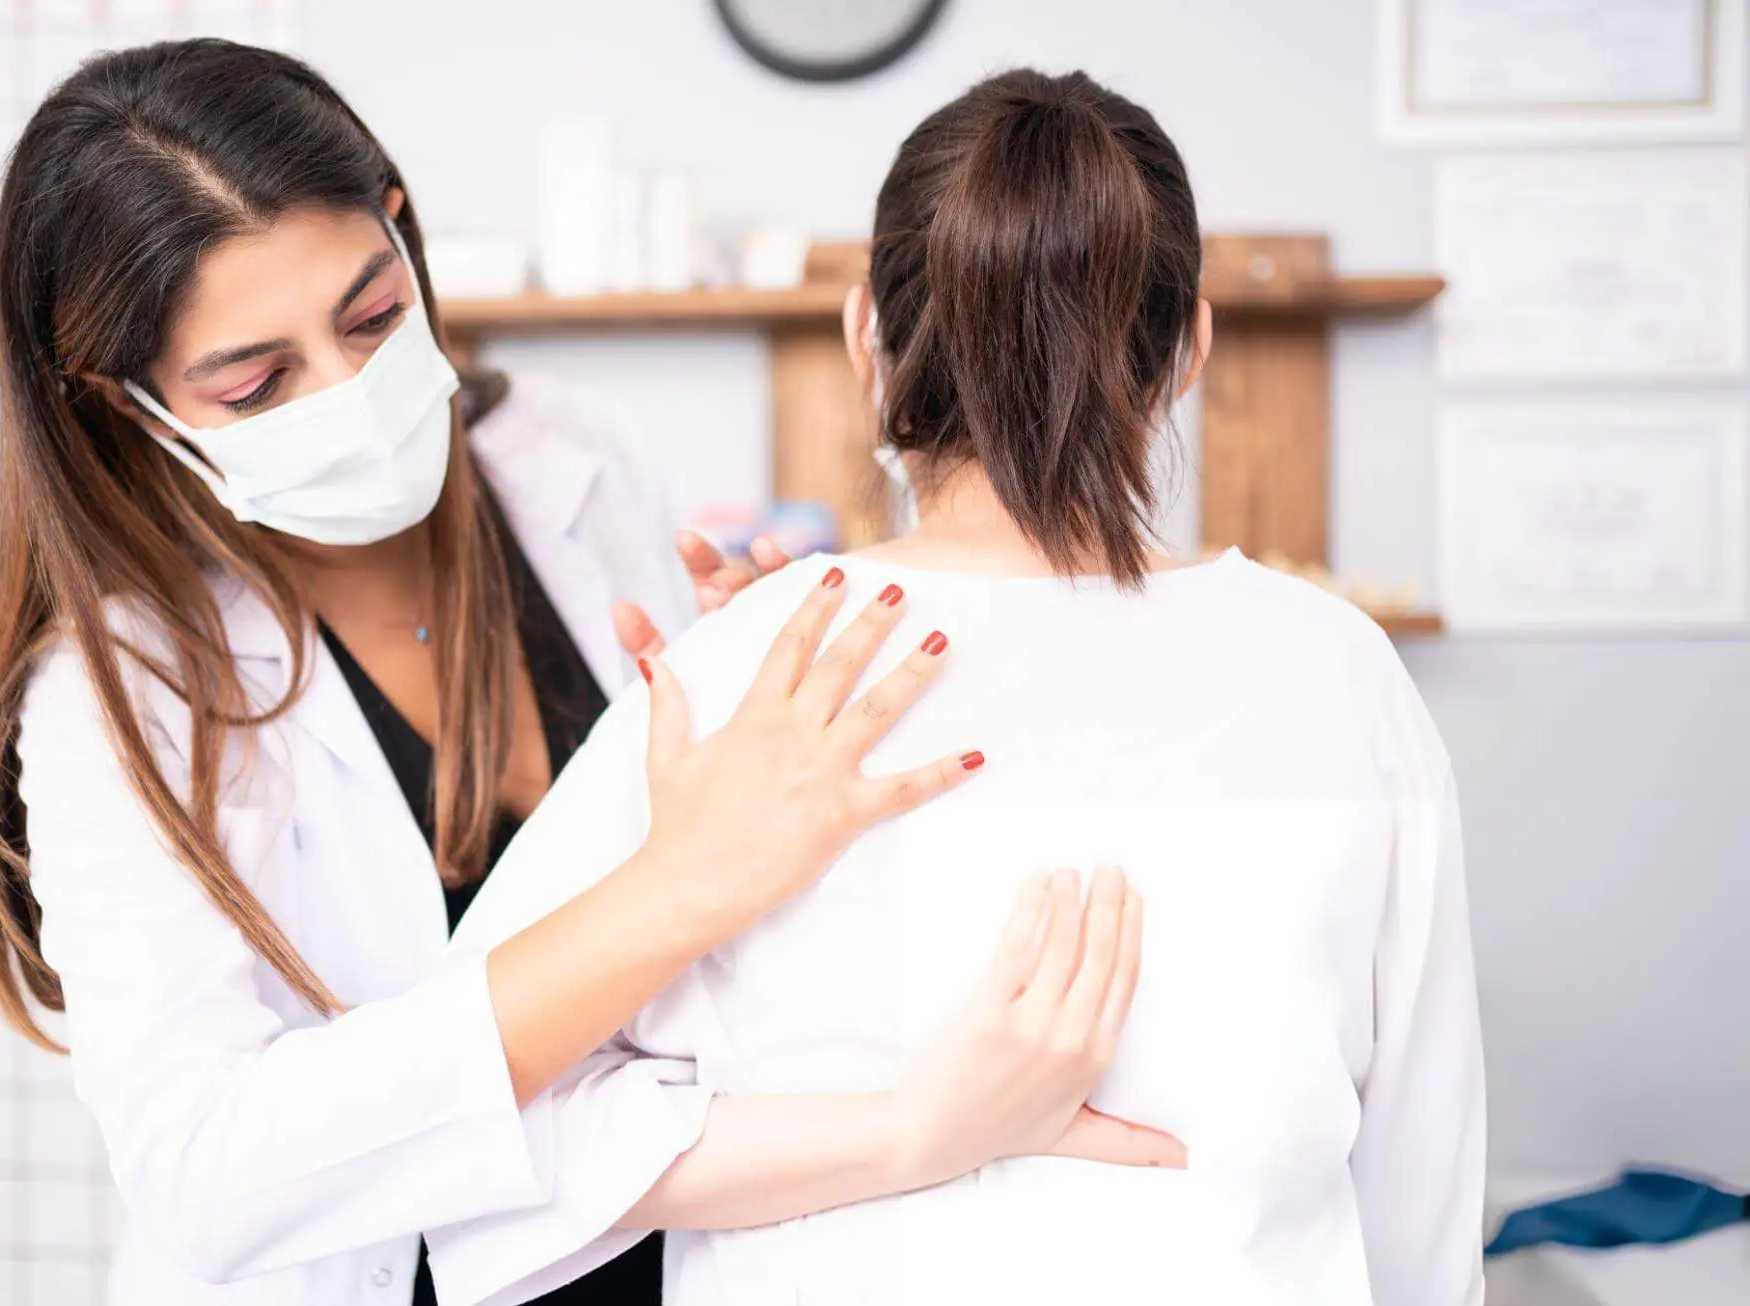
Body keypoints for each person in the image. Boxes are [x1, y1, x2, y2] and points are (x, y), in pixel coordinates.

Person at [0, 41, 1178, 1306]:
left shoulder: (569, 458)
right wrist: (679, 882)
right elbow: (205, 1175)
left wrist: (734, 695)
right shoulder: (118, 695)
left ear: (399, 224)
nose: (352, 391)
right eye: (256, 382)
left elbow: (704, 990)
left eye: (373, 314)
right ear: (114, 399)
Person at [430, 68, 1487, 1306]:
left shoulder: (754, 672)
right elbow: (1419, 1197)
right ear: (1189, 347)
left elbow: (459, 1128)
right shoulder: (1337, 672)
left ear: (863, 336)